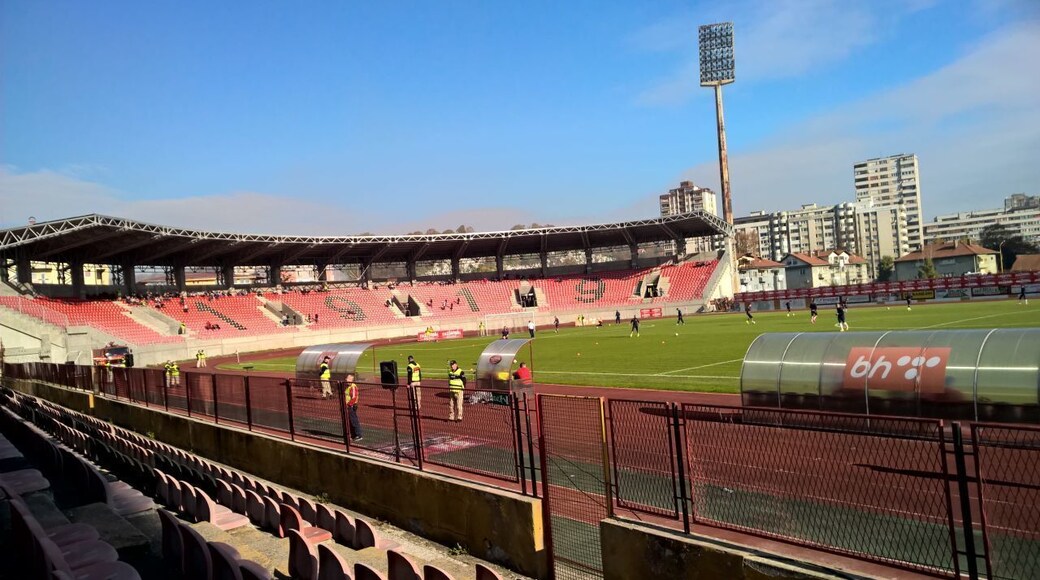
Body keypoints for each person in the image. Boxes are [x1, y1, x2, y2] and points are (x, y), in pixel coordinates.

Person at [345, 373, 362, 441]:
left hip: (351, 406)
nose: (347, 380)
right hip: (347, 406)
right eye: (347, 378)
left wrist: (348, 404)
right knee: (350, 421)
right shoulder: (347, 386)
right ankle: (353, 435)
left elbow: (354, 398)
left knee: (354, 420)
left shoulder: (353, 387)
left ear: (352, 380)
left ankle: (358, 435)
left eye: (349, 379)